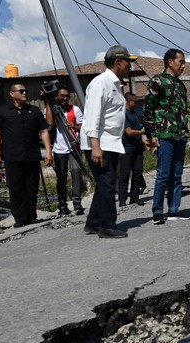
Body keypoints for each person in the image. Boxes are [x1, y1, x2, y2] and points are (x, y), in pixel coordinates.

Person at [80, 44, 135, 239]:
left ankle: (93, 223)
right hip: (99, 144)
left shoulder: (116, 85)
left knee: (104, 183)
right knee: (107, 183)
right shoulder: (101, 82)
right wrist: (95, 145)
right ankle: (107, 226)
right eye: (128, 62)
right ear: (118, 62)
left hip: (110, 142)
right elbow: (92, 116)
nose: (130, 66)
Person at [0, 82, 52, 228]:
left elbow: (44, 131)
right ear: (12, 93)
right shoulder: (2, 111)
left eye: (25, 91)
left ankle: (32, 215)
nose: (25, 93)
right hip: (12, 155)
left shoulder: (34, 111)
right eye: (21, 91)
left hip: (32, 155)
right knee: (16, 187)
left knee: (32, 186)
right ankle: (20, 218)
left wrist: (48, 151)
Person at [144, 48, 190, 224]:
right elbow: (148, 110)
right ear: (170, 62)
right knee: (163, 174)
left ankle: (173, 209)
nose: (183, 66)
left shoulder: (180, 85)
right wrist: (152, 136)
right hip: (164, 135)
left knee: (177, 175)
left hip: (179, 135)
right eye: (181, 62)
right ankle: (157, 211)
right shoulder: (157, 81)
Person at [51, 86, 84, 215]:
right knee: (61, 176)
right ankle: (62, 204)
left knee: (76, 171)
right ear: (57, 97)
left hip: (73, 146)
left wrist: (74, 126)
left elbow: (82, 126)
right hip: (59, 148)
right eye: (62, 95)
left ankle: (77, 201)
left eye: (66, 96)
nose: (64, 98)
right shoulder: (51, 111)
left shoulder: (75, 109)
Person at [118, 91, 146, 207]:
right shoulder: (124, 114)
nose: (136, 103)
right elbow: (129, 132)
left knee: (138, 172)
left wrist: (143, 139)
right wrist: (143, 132)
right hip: (127, 148)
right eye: (134, 101)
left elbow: (137, 129)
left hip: (138, 147)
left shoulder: (135, 113)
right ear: (129, 102)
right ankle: (122, 198)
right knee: (125, 173)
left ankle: (135, 197)